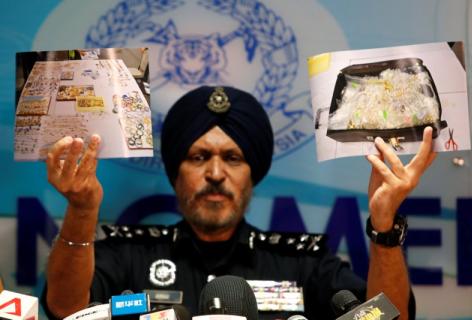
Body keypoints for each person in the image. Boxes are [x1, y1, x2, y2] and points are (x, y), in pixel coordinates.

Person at [43, 86, 436, 320]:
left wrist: (384, 227)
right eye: (199, 157)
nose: (216, 173)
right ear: (175, 171)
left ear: (254, 172)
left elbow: (388, 318)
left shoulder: (303, 264)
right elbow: (64, 310)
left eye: (233, 158)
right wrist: (81, 210)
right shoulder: (129, 254)